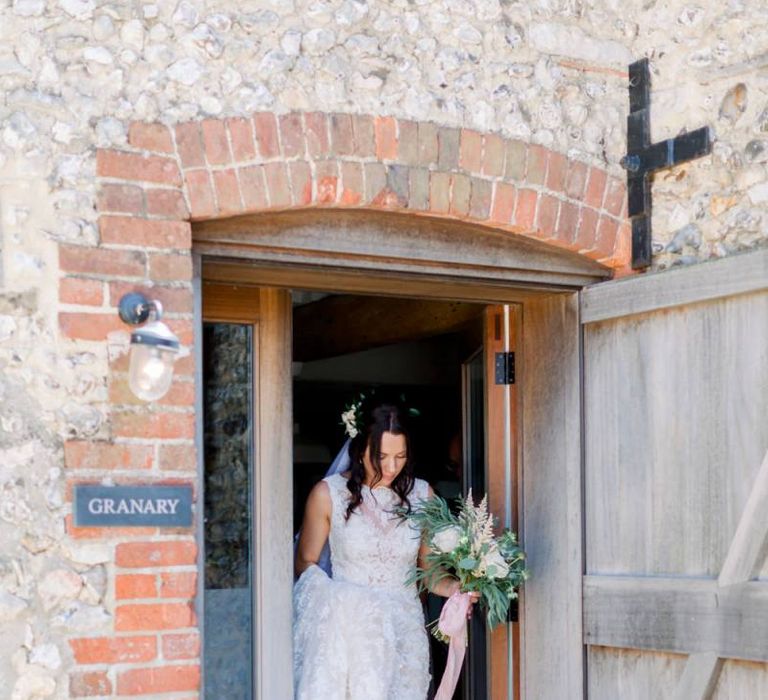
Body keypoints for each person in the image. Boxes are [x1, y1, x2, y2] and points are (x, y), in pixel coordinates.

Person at [293, 399, 477, 700]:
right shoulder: (328, 495)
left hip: (405, 633)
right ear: (360, 449)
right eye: (382, 456)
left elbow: (428, 575)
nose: (392, 466)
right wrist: (348, 603)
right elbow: (305, 566)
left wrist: (460, 587)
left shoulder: (422, 495)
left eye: (400, 456)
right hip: (351, 638)